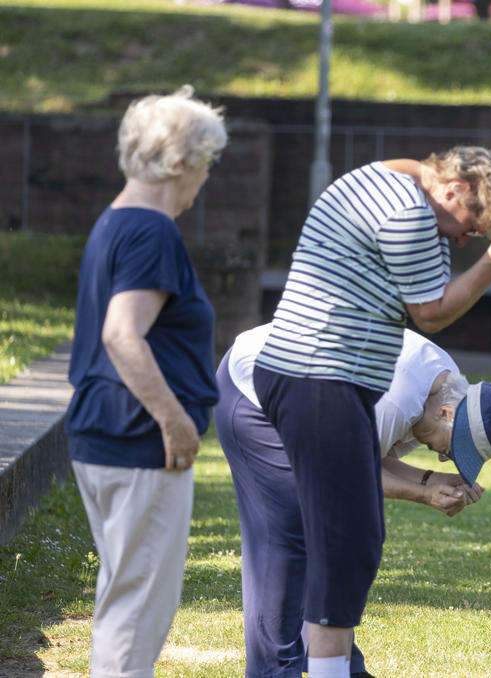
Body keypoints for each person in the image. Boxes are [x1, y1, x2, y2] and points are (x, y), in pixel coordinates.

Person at [250, 146, 491, 678]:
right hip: (319, 376)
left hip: (316, 375)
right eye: (470, 227)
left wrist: (428, 484)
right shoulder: (408, 210)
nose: (460, 241)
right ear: (458, 189)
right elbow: (432, 312)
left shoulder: (382, 181)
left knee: (346, 538)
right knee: (343, 544)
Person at [214, 323, 491, 677]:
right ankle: (274, 670)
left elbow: (367, 454)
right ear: (447, 413)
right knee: (285, 537)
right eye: (451, 449)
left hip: (299, 398)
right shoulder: (395, 399)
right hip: (253, 392)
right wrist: (425, 492)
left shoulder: (441, 384)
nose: (440, 458)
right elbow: (343, 474)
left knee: (322, 536)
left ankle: (335, 662)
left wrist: (431, 481)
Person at [63, 85, 226, 678]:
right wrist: (175, 419)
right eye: (207, 164)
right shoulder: (152, 231)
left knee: (123, 598)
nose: (205, 179)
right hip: (140, 441)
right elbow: (121, 334)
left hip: (104, 434)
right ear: (181, 162)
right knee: (136, 611)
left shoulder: (114, 221)